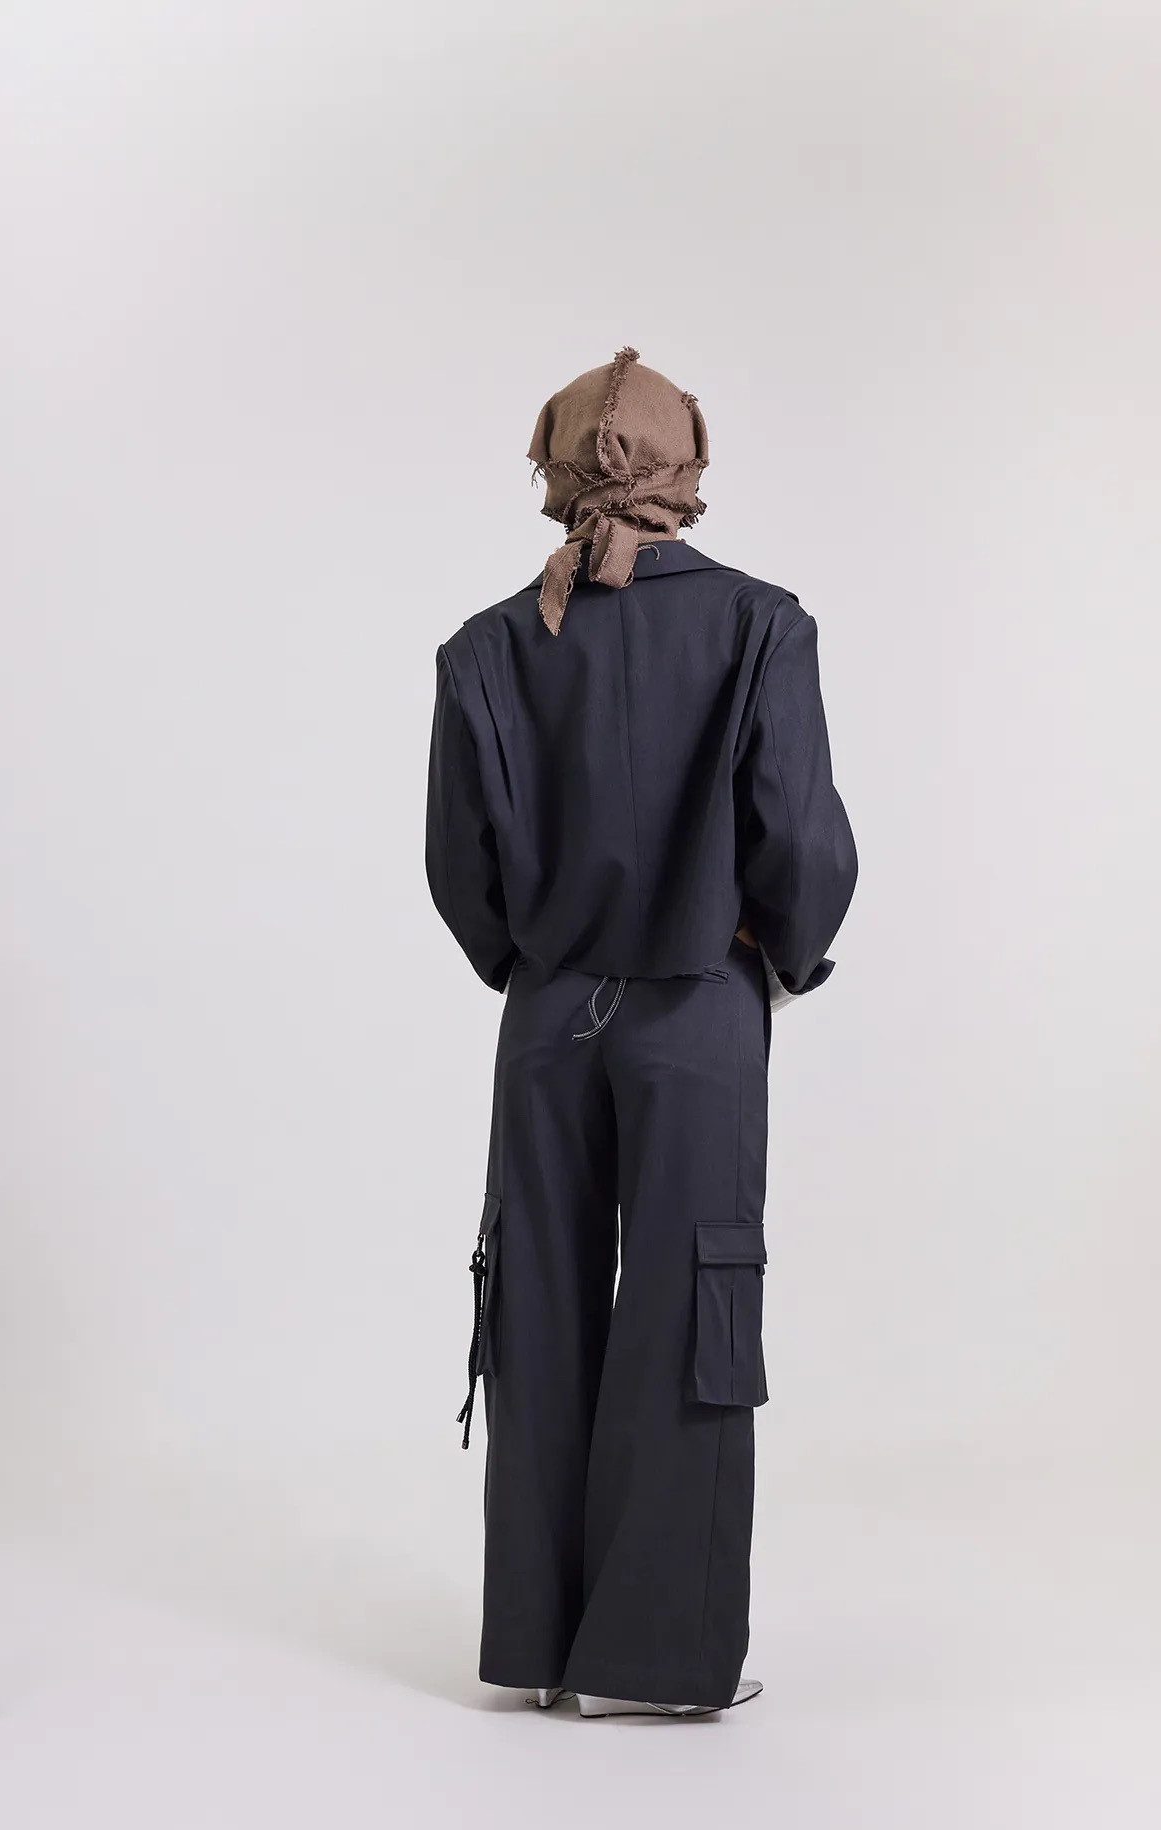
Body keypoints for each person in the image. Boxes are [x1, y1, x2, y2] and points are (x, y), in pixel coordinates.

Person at [425, 347, 857, 1719]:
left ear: (555, 476)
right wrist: (779, 957)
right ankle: (659, 1661)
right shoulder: (759, 625)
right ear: (688, 469)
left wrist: (536, 967)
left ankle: (540, 1646)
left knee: (539, 1298)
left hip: (551, 1016)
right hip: (699, 1006)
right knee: (690, 1300)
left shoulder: (488, 646)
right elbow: (799, 842)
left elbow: (458, 866)